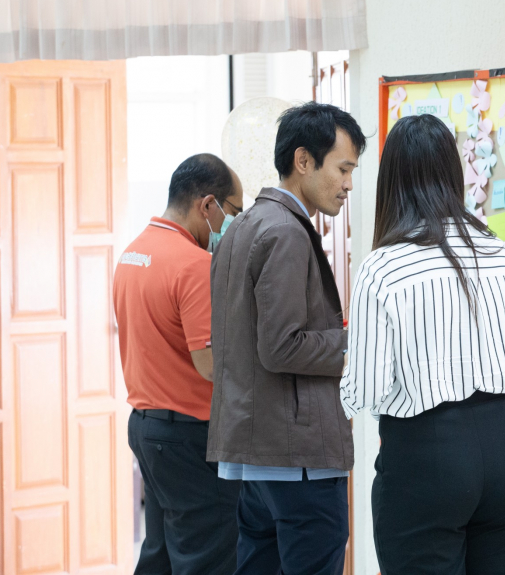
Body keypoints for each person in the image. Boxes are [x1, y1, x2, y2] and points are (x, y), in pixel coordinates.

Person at [341, 114, 505, 575]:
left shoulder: (383, 266)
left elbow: (364, 391)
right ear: (453, 172)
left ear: (392, 181)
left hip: (427, 451)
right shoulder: (503, 253)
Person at [207, 101, 367, 575]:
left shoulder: (242, 227)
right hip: (297, 457)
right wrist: (353, 345)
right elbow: (281, 345)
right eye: (342, 169)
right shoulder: (286, 232)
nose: (348, 184)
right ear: (303, 160)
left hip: (257, 453)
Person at [114, 153, 245, 574]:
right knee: (209, 557)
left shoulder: (133, 253)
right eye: (233, 212)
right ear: (207, 205)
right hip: (188, 436)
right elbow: (210, 365)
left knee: (162, 555)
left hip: (147, 428)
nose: (233, 224)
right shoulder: (194, 264)